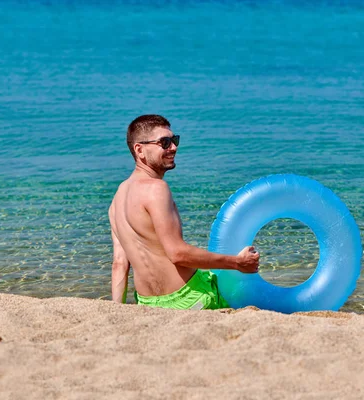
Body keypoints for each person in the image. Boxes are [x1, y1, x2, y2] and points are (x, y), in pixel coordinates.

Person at [108, 115, 260, 310]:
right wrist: (237, 263)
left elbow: (119, 264)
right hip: (190, 297)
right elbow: (177, 254)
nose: (173, 147)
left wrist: (116, 311)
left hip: (147, 304)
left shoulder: (117, 198)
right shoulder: (156, 189)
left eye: (174, 140)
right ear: (140, 150)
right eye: (164, 142)